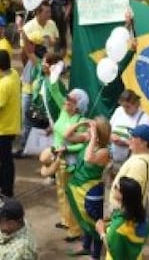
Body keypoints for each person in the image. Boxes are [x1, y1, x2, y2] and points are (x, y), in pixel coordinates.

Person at [65, 116, 111, 259]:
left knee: (93, 222)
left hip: (91, 191)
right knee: (84, 221)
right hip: (78, 188)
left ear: (99, 133)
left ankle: (95, 256)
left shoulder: (104, 151)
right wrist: (81, 123)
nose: (88, 131)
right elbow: (68, 136)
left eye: (92, 129)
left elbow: (89, 159)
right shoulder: (88, 139)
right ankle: (86, 247)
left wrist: (93, 137)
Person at [51, 88, 88, 242]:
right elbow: (54, 91)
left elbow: (83, 145)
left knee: (71, 195)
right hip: (58, 159)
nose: (66, 102)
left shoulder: (80, 122)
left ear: (78, 106)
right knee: (61, 191)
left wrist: (67, 148)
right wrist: (51, 76)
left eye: (71, 100)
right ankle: (66, 220)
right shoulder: (64, 112)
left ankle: (75, 229)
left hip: (69, 162)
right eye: (67, 98)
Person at [0, 50, 21, 202]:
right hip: (12, 124)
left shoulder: (3, 85)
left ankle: (7, 192)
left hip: (3, 128)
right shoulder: (14, 74)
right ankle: (1, 182)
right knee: (4, 159)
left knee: (6, 161)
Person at [95, 177, 149, 259]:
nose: (113, 188)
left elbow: (112, 248)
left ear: (123, 195)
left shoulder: (118, 227)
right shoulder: (142, 217)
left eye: (116, 187)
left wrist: (102, 232)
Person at [109, 124, 149, 212]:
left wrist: (115, 193)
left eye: (133, 138)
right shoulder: (147, 154)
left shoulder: (138, 165)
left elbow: (129, 195)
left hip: (123, 211)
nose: (129, 139)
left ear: (143, 143)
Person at [108, 90, 149, 174]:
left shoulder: (145, 119)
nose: (125, 109)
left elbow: (147, 146)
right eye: (123, 106)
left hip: (132, 164)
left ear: (136, 104)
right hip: (114, 160)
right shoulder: (119, 111)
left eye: (127, 106)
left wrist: (124, 142)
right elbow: (109, 129)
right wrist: (111, 137)